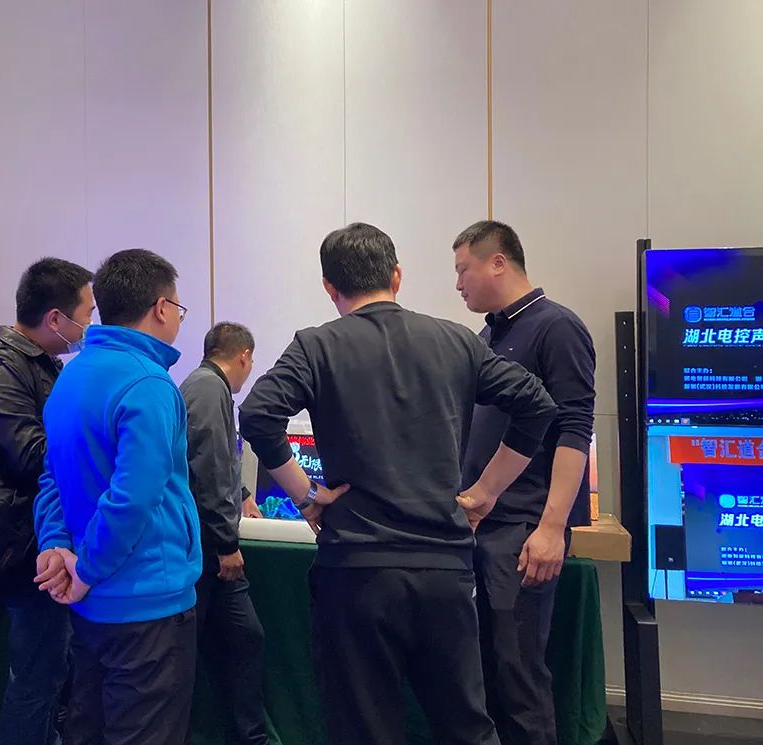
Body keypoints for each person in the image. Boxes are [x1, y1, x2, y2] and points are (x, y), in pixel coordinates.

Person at [238, 222, 558, 745]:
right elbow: (538, 406)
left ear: (329, 287)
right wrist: (485, 492)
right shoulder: (457, 341)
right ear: (397, 276)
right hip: (445, 570)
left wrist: (307, 496)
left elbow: (256, 415)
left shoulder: (317, 345)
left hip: (355, 570)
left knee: (365, 730)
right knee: (467, 728)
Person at [33, 249, 202, 745]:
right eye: (178, 307)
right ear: (162, 308)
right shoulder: (149, 383)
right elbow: (131, 499)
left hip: (89, 608)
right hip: (147, 605)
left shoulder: (71, 376)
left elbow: (51, 477)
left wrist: (55, 547)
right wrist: (84, 570)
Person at [454, 220, 596, 745]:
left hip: (523, 529)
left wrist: (552, 527)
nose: (458, 284)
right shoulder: (486, 335)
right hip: (480, 525)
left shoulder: (557, 327)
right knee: (485, 675)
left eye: (463, 269)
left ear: (498, 262)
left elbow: (574, 428)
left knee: (519, 678)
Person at [0, 257, 95, 745]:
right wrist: (92, 446)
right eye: (86, 313)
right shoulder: (5, 367)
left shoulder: (41, 363)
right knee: (36, 678)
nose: (89, 324)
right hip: (24, 544)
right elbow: (27, 454)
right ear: (55, 319)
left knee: (52, 672)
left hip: (43, 538)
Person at [180, 322, 269, 745]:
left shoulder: (201, 386)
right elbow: (208, 467)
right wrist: (226, 543)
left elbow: (215, 459)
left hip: (207, 542)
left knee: (246, 638)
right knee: (199, 651)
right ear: (244, 356)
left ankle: (247, 736)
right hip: (207, 549)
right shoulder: (210, 389)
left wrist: (243, 493)